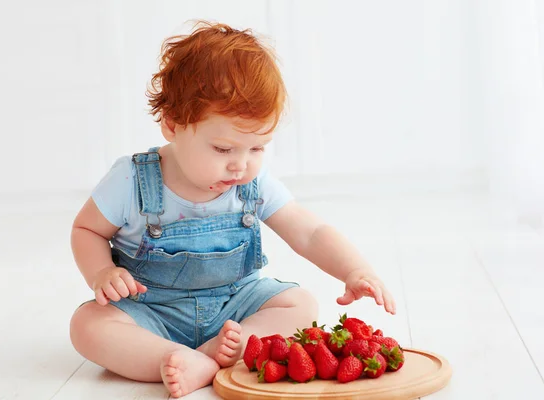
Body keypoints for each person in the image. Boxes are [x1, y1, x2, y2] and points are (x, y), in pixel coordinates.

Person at [69, 21, 396, 398]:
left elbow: (307, 232)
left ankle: (220, 352)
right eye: (224, 149)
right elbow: (86, 230)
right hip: (150, 312)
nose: (240, 166)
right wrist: (102, 272)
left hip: (234, 308)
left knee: (300, 304)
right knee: (88, 325)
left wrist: (355, 269)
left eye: (257, 148)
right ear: (173, 125)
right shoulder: (131, 180)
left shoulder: (252, 185)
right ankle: (175, 357)